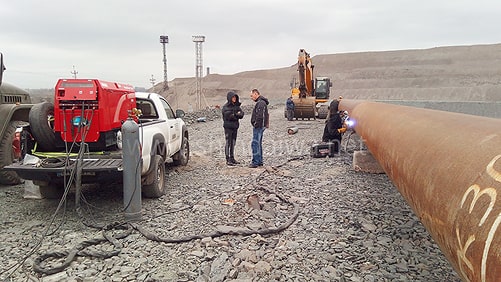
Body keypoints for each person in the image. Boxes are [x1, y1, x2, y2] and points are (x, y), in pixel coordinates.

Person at [222, 91, 244, 165]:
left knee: (233, 143)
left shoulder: (237, 106)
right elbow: (228, 116)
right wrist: (235, 114)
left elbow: (241, 114)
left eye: (235, 97)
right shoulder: (225, 107)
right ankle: (228, 159)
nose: (234, 99)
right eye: (233, 97)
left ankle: (232, 158)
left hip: (235, 127)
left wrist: (235, 115)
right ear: (229, 98)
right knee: (228, 142)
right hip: (228, 128)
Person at [249, 88, 269, 168]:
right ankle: (259, 161)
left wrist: (256, 124)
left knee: (255, 143)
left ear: (256, 94)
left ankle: (256, 162)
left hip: (259, 127)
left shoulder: (260, 103)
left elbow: (260, 116)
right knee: (258, 143)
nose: (251, 97)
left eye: (251, 95)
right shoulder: (262, 102)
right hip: (261, 126)